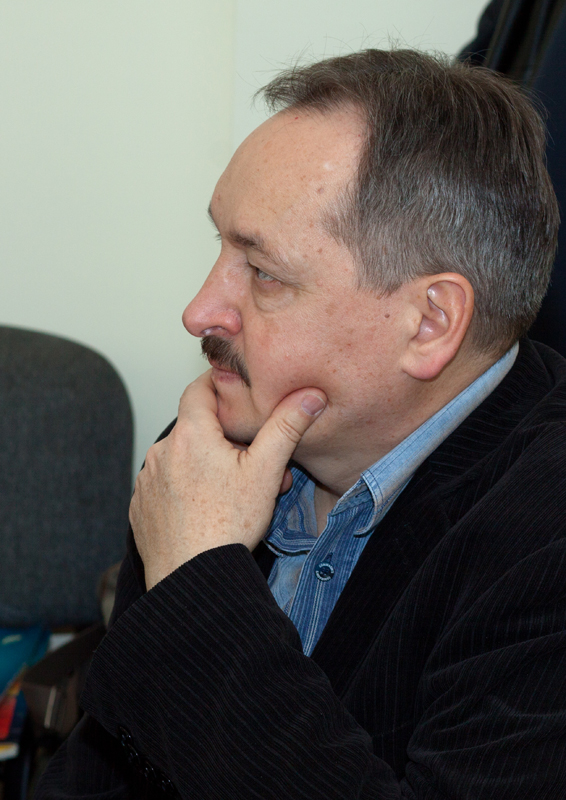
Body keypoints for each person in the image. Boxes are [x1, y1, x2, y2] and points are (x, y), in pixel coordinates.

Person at [36, 49, 566, 799]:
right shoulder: (211, 457)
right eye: (220, 246)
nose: (199, 311)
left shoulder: (545, 541)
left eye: (265, 274)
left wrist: (198, 582)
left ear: (429, 323)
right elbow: (104, 776)